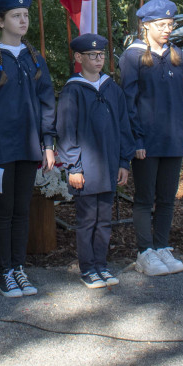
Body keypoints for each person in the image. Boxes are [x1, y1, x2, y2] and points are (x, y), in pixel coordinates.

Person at [0, 0, 55, 298]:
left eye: (26, 15)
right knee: (4, 211)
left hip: (29, 146)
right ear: (0, 21)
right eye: (16, 16)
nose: (23, 20)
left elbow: (47, 102)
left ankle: (19, 268)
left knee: (23, 210)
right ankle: (4, 272)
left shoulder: (34, 58)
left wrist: (47, 143)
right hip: (0, 150)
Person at [119, 0, 183, 277]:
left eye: (170, 24)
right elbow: (128, 103)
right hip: (146, 142)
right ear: (146, 26)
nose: (167, 29)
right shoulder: (133, 57)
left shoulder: (177, 54)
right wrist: (136, 140)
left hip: (173, 139)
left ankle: (162, 246)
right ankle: (145, 252)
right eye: (161, 25)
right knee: (144, 198)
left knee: (167, 197)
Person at [55, 34, 133, 289]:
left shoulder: (112, 88)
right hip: (85, 168)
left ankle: (102, 264)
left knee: (104, 219)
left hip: (109, 165)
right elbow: (66, 132)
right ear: (79, 58)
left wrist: (124, 162)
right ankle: (88, 268)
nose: (98, 60)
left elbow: (123, 127)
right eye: (92, 55)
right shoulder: (73, 90)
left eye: (101, 55)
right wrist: (73, 167)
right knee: (87, 220)